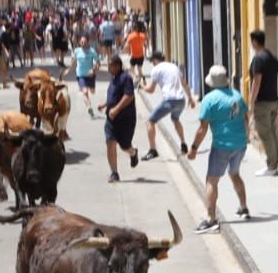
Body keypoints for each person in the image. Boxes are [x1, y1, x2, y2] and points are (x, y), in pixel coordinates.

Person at [188, 65, 250, 232]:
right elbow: (246, 118)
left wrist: (193, 148)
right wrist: (245, 138)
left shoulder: (209, 99)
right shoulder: (237, 95)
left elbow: (202, 129)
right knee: (234, 173)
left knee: (211, 181)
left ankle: (211, 219)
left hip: (222, 146)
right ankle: (244, 208)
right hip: (240, 144)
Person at [140, 51, 194, 160]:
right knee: (175, 119)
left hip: (169, 101)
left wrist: (142, 86)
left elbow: (151, 90)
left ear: (156, 60)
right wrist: (190, 98)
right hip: (181, 100)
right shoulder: (174, 66)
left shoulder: (156, 69)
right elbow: (184, 83)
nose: (152, 63)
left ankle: (152, 150)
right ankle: (183, 143)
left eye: (152, 61)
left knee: (150, 121)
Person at [100, 55, 140, 184]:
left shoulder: (125, 78)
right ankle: (114, 173)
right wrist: (105, 104)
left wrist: (116, 110)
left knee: (124, 146)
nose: (108, 68)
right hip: (111, 120)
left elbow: (128, 96)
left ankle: (133, 153)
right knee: (110, 143)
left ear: (117, 66)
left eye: (110, 65)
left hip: (125, 120)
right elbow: (114, 96)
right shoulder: (114, 78)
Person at [248, 30, 278, 177]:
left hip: (262, 102)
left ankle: (271, 165)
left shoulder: (258, 59)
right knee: (273, 133)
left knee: (265, 133)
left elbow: (256, 81)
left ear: (255, 41)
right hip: (274, 99)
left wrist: (251, 102)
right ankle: (274, 162)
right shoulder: (272, 57)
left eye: (251, 41)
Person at [67, 37, 97, 118]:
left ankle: (90, 90)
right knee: (85, 92)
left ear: (88, 42)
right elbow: (73, 62)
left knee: (92, 91)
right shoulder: (76, 51)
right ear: (80, 43)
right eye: (81, 42)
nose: (83, 43)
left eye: (84, 42)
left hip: (90, 75)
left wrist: (93, 69)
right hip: (80, 75)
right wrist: (68, 70)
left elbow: (97, 62)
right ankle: (89, 108)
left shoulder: (92, 51)